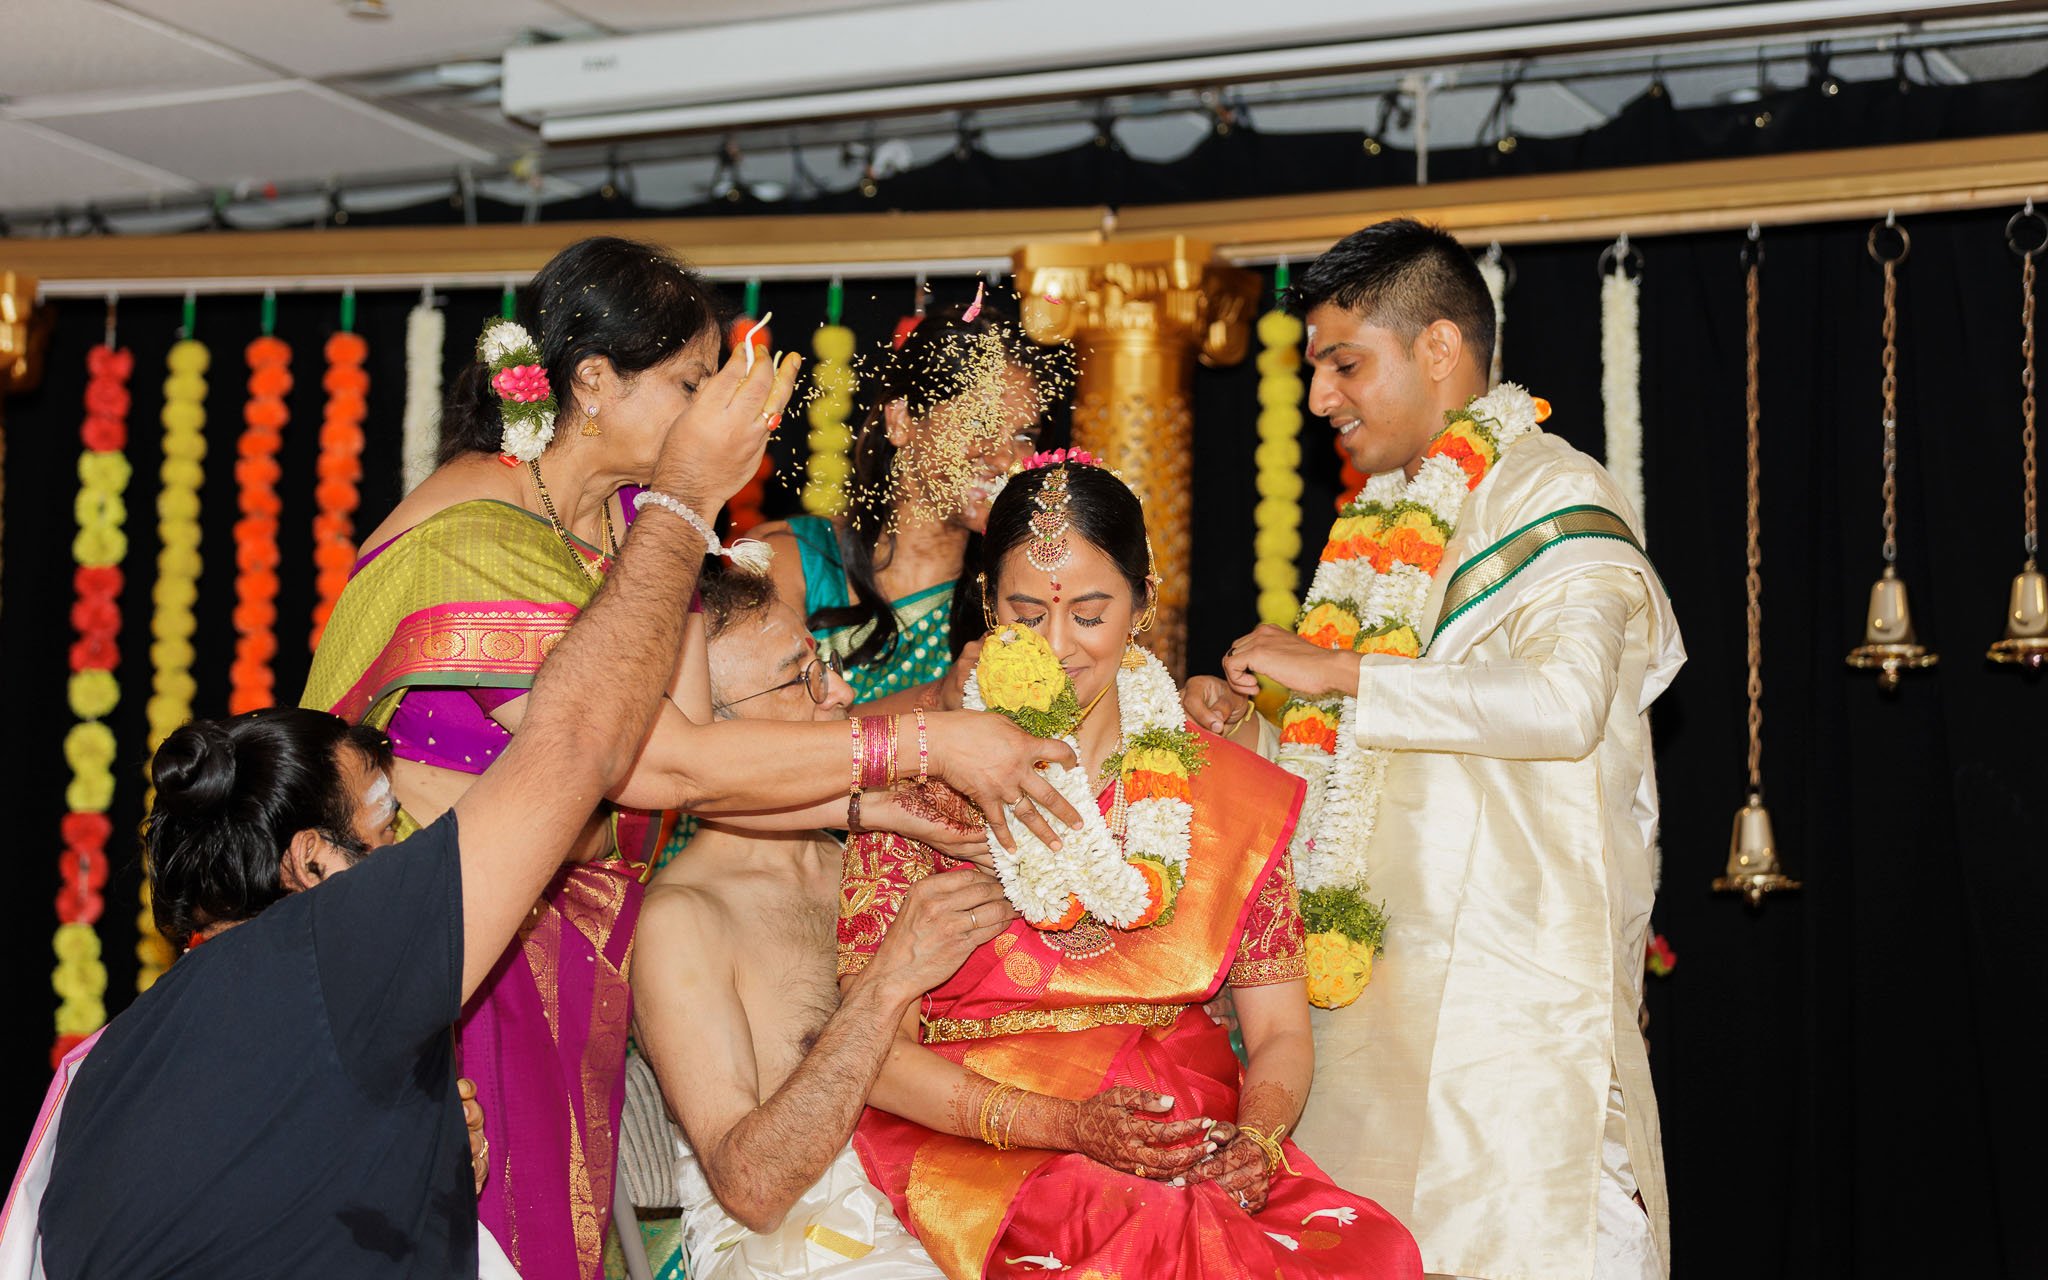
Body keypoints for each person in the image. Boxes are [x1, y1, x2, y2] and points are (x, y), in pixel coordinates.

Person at [301, 237, 1079, 1279]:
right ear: (590, 382)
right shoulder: (469, 541)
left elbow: (697, 752)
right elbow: (660, 767)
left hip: (553, 954)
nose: (718, 406)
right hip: (444, 979)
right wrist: (926, 737)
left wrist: (875, 810)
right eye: (688, 381)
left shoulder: (615, 526)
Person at [24, 339, 794, 1276]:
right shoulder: (340, 972)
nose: (417, 844)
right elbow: (581, 743)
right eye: (391, 824)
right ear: (310, 862)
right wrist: (683, 501)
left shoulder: (98, 1066)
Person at [1192, 219, 1684, 1280]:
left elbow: (1559, 704)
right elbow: (1361, 762)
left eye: (1342, 362)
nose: (1321, 396)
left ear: (1437, 349)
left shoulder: (1556, 496)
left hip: (1508, 1041)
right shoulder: (1375, 528)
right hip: (1367, 1027)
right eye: (1315, 368)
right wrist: (1251, 721)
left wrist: (1338, 675)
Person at [838, 459, 1422, 1280]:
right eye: (1025, 612)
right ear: (985, 604)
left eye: (1089, 613)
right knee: (1156, 1234)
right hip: (981, 1140)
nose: (1056, 646)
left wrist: (1256, 1141)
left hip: (1183, 1135)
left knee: (1376, 1253)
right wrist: (1070, 1126)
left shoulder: (1220, 788)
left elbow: (1281, 1031)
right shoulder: (923, 789)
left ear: (1144, 601)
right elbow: (874, 1052)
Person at [630, 570, 981, 1278]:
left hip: (951, 1195)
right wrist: (888, 983)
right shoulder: (683, 919)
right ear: (707, 737)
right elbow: (753, 1189)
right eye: (803, 681)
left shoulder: (875, 858)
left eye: (827, 666)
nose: (844, 695)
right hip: (803, 1250)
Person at [756, 303, 1050, 710]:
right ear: (902, 420)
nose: (1005, 459)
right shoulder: (792, 560)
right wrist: (937, 697)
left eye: (1024, 435)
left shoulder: (1015, 591)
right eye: (980, 424)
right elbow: (770, 745)